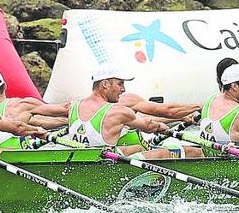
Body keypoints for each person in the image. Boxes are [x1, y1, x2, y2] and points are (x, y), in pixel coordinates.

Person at [63, 65, 200, 159]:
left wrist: (181, 118)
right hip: (108, 161)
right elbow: (161, 115)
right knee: (191, 152)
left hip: (82, 158)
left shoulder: (74, 104)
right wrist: (200, 106)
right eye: (120, 84)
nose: (123, 89)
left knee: (137, 148)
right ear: (105, 84)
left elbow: (41, 111)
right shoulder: (119, 109)